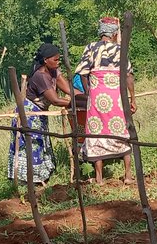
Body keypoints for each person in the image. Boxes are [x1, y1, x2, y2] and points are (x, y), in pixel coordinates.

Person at [74, 17, 136, 184]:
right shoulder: (120, 50)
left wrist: (89, 92)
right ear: (114, 34)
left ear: (101, 32)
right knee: (122, 130)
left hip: (97, 97)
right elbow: (129, 76)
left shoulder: (91, 48)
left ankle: (99, 178)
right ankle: (128, 175)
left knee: (96, 132)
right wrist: (133, 98)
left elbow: (82, 73)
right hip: (117, 97)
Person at [8, 43, 72, 185]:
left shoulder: (54, 71)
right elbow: (55, 100)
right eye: (55, 59)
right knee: (32, 145)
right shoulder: (40, 76)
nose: (58, 62)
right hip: (30, 114)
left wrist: (86, 97)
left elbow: (70, 91)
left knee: (39, 145)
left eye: (59, 59)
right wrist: (75, 102)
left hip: (40, 113)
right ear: (45, 60)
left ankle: (39, 178)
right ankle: (28, 180)